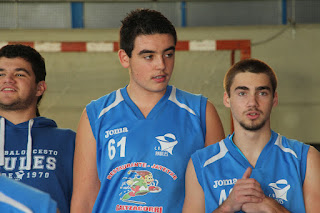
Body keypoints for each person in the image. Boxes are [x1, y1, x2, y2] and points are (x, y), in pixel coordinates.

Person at [71, 8, 225, 213]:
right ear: (125, 58)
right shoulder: (96, 114)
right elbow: (84, 200)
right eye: (148, 56)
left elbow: (217, 193)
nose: (161, 65)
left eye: (168, 54)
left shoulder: (201, 112)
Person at [182, 58, 320, 213]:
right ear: (227, 99)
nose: (252, 102)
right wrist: (228, 206)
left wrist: (271, 207)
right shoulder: (200, 163)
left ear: (274, 99)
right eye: (242, 93)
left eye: (262, 93)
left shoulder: (305, 158)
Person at [0, 44, 75, 213]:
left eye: (19, 74)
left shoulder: (70, 141)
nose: (7, 79)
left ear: (40, 88)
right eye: (1, 73)